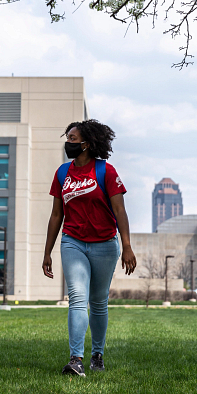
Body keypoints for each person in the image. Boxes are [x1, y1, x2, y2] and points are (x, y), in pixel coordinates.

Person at [43, 119, 136, 376]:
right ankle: (76, 359)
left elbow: (120, 210)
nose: (68, 143)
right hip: (72, 241)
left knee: (98, 302)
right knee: (77, 297)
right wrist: (47, 251)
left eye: (72, 139)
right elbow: (55, 216)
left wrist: (126, 246)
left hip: (105, 244)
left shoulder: (106, 171)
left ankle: (97, 354)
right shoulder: (62, 173)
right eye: (68, 137)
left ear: (87, 144)